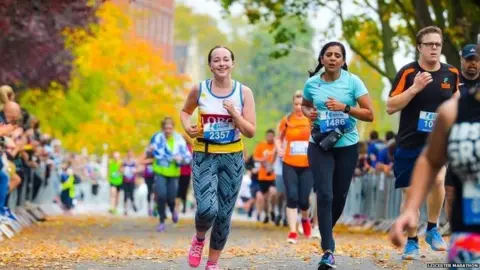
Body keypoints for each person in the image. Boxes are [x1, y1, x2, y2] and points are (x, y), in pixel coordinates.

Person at [390, 53, 480, 267]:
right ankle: (426, 232)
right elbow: (430, 161)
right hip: (469, 233)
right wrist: (411, 208)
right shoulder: (454, 110)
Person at [386, 26, 460, 259]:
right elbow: (390, 106)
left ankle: (432, 228)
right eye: (429, 44)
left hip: (436, 144)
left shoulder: (451, 73)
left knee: (439, 181)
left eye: (437, 44)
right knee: (410, 196)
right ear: (419, 47)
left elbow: (457, 101)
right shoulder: (408, 73)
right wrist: (415, 88)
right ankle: (411, 241)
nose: (434, 48)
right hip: (409, 142)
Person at [180, 45, 256, 270]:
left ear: (233, 64)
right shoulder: (200, 89)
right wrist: (188, 128)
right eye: (216, 60)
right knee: (206, 209)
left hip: (232, 157)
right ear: (210, 65)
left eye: (225, 59)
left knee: (223, 214)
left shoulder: (244, 93)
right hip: (205, 155)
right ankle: (199, 238)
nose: (221, 64)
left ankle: (212, 263)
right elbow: (185, 112)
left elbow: (250, 131)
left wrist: (235, 113)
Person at [302, 41, 374, 269]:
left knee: (339, 195)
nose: (333, 58)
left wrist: (345, 108)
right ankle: (328, 249)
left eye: (337, 55)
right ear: (322, 59)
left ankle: (325, 231)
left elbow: (369, 114)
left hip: (346, 145)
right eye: (328, 55)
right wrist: (309, 113)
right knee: (324, 194)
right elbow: (305, 106)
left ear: (343, 61)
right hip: (319, 144)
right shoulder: (312, 84)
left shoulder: (353, 82)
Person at [444, 44, 479, 222]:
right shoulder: (452, 81)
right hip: (456, 143)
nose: (472, 64)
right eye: (468, 60)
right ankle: (453, 229)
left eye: (476, 60)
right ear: (461, 61)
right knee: (450, 191)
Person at [275, 90, 314, 243]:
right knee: (291, 196)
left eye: (302, 104)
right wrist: (279, 148)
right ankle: (292, 231)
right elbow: (279, 138)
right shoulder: (287, 120)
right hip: (289, 163)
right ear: (293, 104)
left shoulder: (311, 119)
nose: (299, 107)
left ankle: (305, 219)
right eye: (296, 104)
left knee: (304, 199)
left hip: (307, 164)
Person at [150, 117, 191, 232]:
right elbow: (150, 151)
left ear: (173, 128)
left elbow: (187, 156)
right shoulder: (157, 138)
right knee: (161, 195)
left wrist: (180, 158)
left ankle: (173, 210)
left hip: (173, 173)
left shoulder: (179, 140)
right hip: (160, 170)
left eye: (170, 128)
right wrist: (150, 150)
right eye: (166, 128)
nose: (168, 130)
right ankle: (162, 221)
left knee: (171, 197)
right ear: (162, 129)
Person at [253, 129, 277, 224]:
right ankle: (267, 214)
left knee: (273, 193)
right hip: (262, 177)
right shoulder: (261, 145)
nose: (270, 138)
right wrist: (262, 159)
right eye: (268, 136)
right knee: (265, 198)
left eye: (271, 136)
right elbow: (255, 158)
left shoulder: (276, 146)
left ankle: (273, 210)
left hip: (272, 176)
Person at [177, 134, 193, 214]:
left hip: (186, 172)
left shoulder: (189, 148)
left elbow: (190, 159)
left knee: (184, 189)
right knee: (178, 190)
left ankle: (183, 206)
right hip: (177, 172)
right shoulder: (177, 148)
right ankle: (177, 207)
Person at [121, 150, 137, 216]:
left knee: (131, 194)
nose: (130, 155)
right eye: (129, 153)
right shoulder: (124, 161)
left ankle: (133, 204)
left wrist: (134, 171)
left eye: (131, 153)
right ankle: (125, 210)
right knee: (125, 195)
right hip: (125, 180)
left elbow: (137, 169)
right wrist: (123, 170)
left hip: (132, 180)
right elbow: (120, 169)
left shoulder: (134, 162)